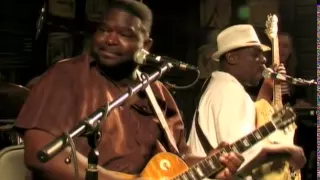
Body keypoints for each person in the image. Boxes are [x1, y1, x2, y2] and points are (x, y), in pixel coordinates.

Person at [14, 1, 244, 180]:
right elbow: (39, 153)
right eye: (104, 30)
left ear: (146, 46)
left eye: (125, 34)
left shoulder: (158, 93)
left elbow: (177, 159)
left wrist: (210, 163)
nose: (110, 40)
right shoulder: (66, 76)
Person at [187, 25, 306, 179]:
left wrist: (266, 88)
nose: (263, 59)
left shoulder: (218, 86)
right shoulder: (229, 90)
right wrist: (289, 151)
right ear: (232, 58)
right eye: (256, 55)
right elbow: (244, 155)